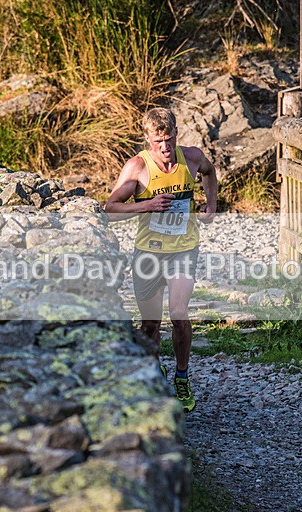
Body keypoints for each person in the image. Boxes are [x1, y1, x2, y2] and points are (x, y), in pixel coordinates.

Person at [105, 107, 217, 413]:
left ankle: (182, 377)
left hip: (184, 248)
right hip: (149, 253)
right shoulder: (137, 167)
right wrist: (147, 206)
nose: (165, 147)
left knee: (179, 314)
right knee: (151, 324)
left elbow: (209, 172)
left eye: (168, 139)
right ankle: (155, 375)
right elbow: (110, 209)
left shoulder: (191, 157)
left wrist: (211, 204)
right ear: (147, 140)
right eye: (158, 142)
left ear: (177, 135)